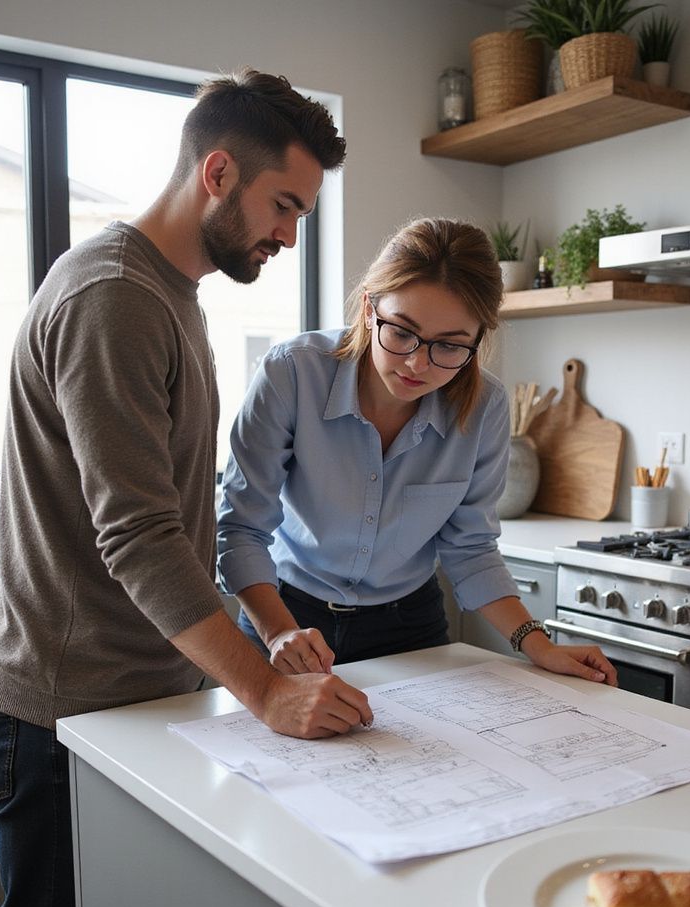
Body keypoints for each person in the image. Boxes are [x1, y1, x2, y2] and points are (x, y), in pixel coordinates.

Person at [0, 69, 369, 907]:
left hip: (132, 700)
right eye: (284, 205)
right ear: (218, 172)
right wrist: (267, 691)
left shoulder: (169, 290)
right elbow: (141, 538)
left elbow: (180, 510)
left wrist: (255, 637)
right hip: (58, 711)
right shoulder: (117, 298)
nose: (291, 235)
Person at [217, 217, 618, 686]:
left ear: (477, 341)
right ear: (369, 308)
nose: (418, 363)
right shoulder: (291, 375)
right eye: (402, 332)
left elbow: (470, 547)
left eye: (449, 345)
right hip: (287, 618)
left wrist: (540, 646)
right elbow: (242, 528)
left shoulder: (484, 407)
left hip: (409, 628)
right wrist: (280, 632)